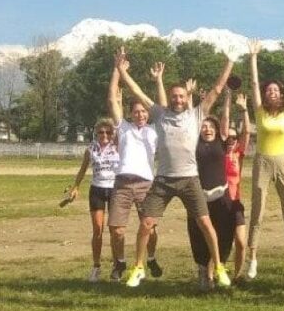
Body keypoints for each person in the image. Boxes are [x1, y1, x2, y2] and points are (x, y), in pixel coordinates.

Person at [117, 48, 235, 289]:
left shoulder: (197, 114)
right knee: (146, 224)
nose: (178, 100)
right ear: (169, 98)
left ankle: (219, 266)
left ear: (185, 97)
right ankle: (139, 267)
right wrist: (121, 70)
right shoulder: (159, 114)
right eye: (175, 96)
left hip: (190, 179)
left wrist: (230, 62)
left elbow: (217, 90)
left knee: (205, 223)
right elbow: (137, 91)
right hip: (163, 180)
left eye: (182, 96)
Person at [245, 39, 284, 278]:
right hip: (262, 162)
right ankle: (253, 258)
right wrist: (253, 58)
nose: (272, 93)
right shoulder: (259, 112)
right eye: (269, 91)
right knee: (257, 210)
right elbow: (255, 83)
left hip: (283, 161)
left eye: (276, 90)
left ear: (281, 95)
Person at [106, 51, 160, 284]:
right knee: (117, 229)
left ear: (148, 114)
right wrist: (117, 70)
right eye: (136, 111)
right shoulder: (123, 127)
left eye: (143, 111)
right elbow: (111, 99)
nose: (139, 114)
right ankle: (119, 262)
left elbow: (163, 105)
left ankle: (151, 257)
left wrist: (158, 82)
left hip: (146, 183)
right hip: (122, 183)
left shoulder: (155, 130)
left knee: (150, 228)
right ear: (130, 114)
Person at [187, 89, 238, 291]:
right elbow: (191, 121)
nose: (207, 129)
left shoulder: (221, 142)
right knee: (198, 236)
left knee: (225, 234)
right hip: (198, 198)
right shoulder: (193, 143)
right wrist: (192, 99)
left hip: (221, 197)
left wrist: (228, 96)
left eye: (210, 126)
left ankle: (219, 269)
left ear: (217, 130)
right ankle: (203, 273)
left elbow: (225, 117)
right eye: (203, 126)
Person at [66, 118, 121, 282]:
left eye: (108, 132)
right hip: (96, 189)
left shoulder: (118, 147)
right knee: (98, 229)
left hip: (114, 189)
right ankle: (96, 266)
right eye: (101, 132)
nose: (105, 135)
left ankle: (116, 267)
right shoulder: (91, 149)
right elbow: (82, 169)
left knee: (114, 230)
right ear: (96, 133)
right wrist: (75, 187)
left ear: (112, 134)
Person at [224, 91, 251, 282]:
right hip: (218, 203)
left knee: (241, 242)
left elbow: (247, 132)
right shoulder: (217, 151)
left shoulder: (238, 154)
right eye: (229, 138)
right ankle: (215, 272)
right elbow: (224, 124)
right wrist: (227, 97)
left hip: (235, 203)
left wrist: (244, 111)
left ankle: (238, 275)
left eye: (234, 138)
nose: (232, 140)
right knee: (219, 242)